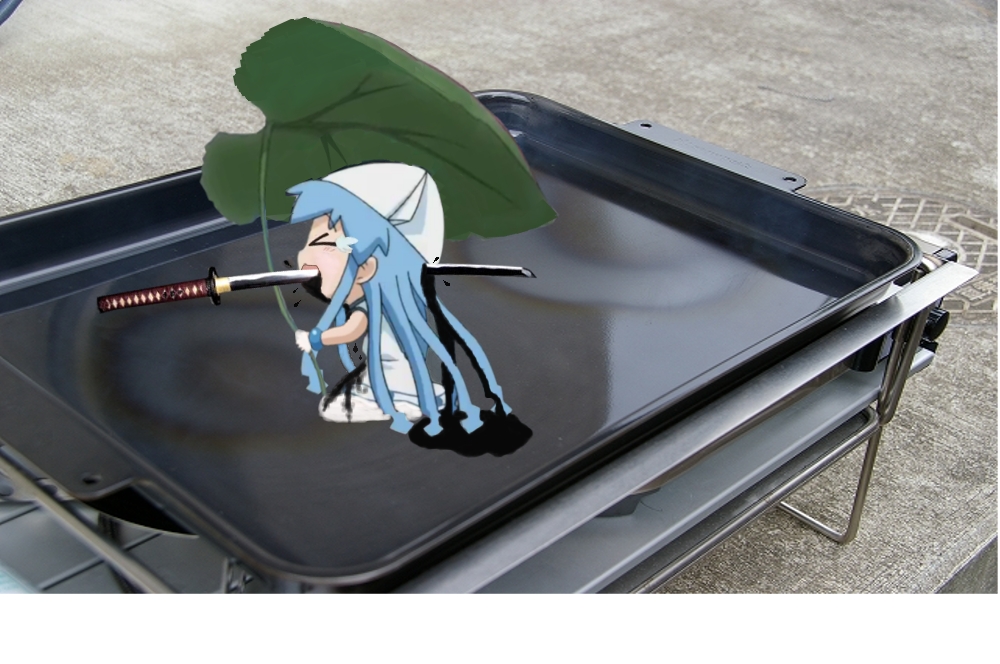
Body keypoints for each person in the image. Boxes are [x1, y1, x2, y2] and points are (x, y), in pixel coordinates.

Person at [287, 163, 509, 436]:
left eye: (321, 245)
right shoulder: (394, 303)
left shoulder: (374, 306)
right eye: (308, 244)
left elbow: (352, 330)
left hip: (392, 380)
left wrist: (315, 339)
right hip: (399, 375)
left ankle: (401, 400)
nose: (303, 257)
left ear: (366, 268)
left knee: (345, 402)